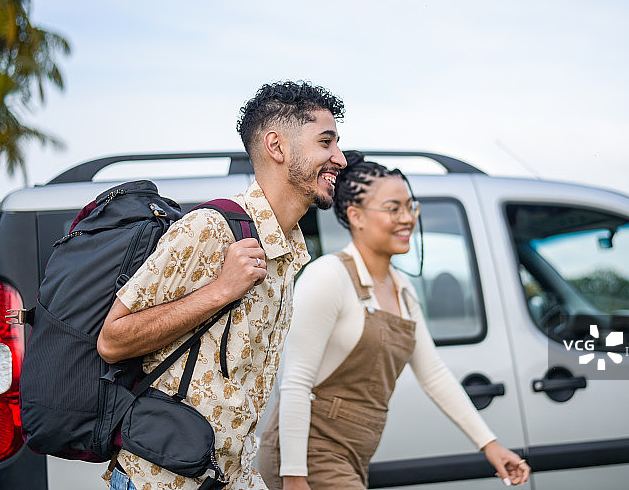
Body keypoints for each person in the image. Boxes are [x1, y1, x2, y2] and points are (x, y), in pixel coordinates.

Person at [96, 81, 347, 490]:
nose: (340, 158)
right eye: (326, 142)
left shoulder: (288, 251)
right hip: (158, 480)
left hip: (229, 476)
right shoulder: (210, 228)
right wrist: (220, 290)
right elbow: (112, 340)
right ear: (277, 146)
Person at [257, 151, 531, 489]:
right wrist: (295, 477)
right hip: (307, 455)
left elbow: (433, 373)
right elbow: (296, 382)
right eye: (393, 208)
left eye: (410, 207)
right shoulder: (328, 276)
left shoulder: (403, 290)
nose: (407, 218)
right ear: (356, 216)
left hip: (353, 453)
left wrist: (490, 445)